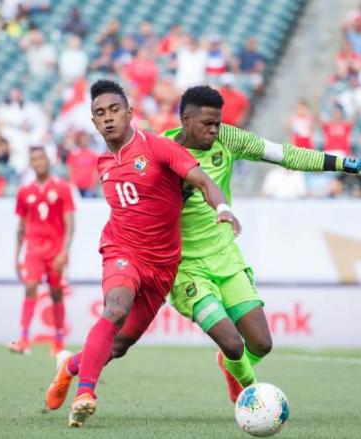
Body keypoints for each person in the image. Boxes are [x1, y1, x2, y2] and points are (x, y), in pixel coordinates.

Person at [48, 85, 361, 409]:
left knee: (261, 343)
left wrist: (352, 165)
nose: (215, 130)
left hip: (225, 257)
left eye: (218, 123)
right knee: (221, 342)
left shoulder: (228, 138)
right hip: (184, 266)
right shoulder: (163, 148)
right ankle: (254, 398)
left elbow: (285, 155)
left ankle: (229, 367)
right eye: (208, 124)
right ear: (186, 121)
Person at [46, 80, 240, 428]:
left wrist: (223, 207)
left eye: (115, 110)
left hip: (162, 265)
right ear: (93, 122)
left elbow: (203, 182)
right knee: (116, 307)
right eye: (100, 113)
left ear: (130, 113)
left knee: (117, 346)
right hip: (121, 250)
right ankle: (85, 394)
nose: (108, 118)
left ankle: (70, 367)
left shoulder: (159, 148)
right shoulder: (103, 163)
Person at [9, 147, 75, 356]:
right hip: (33, 250)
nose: (38, 162)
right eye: (34, 159)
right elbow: (20, 226)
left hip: (56, 251)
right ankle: (24, 338)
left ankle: (58, 341)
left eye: (41, 158)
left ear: (49, 160)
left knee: (56, 293)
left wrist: (64, 251)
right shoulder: (24, 191)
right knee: (30, 287)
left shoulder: (62, 188)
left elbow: (70, 223)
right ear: (31, 163)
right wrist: (16, 255)